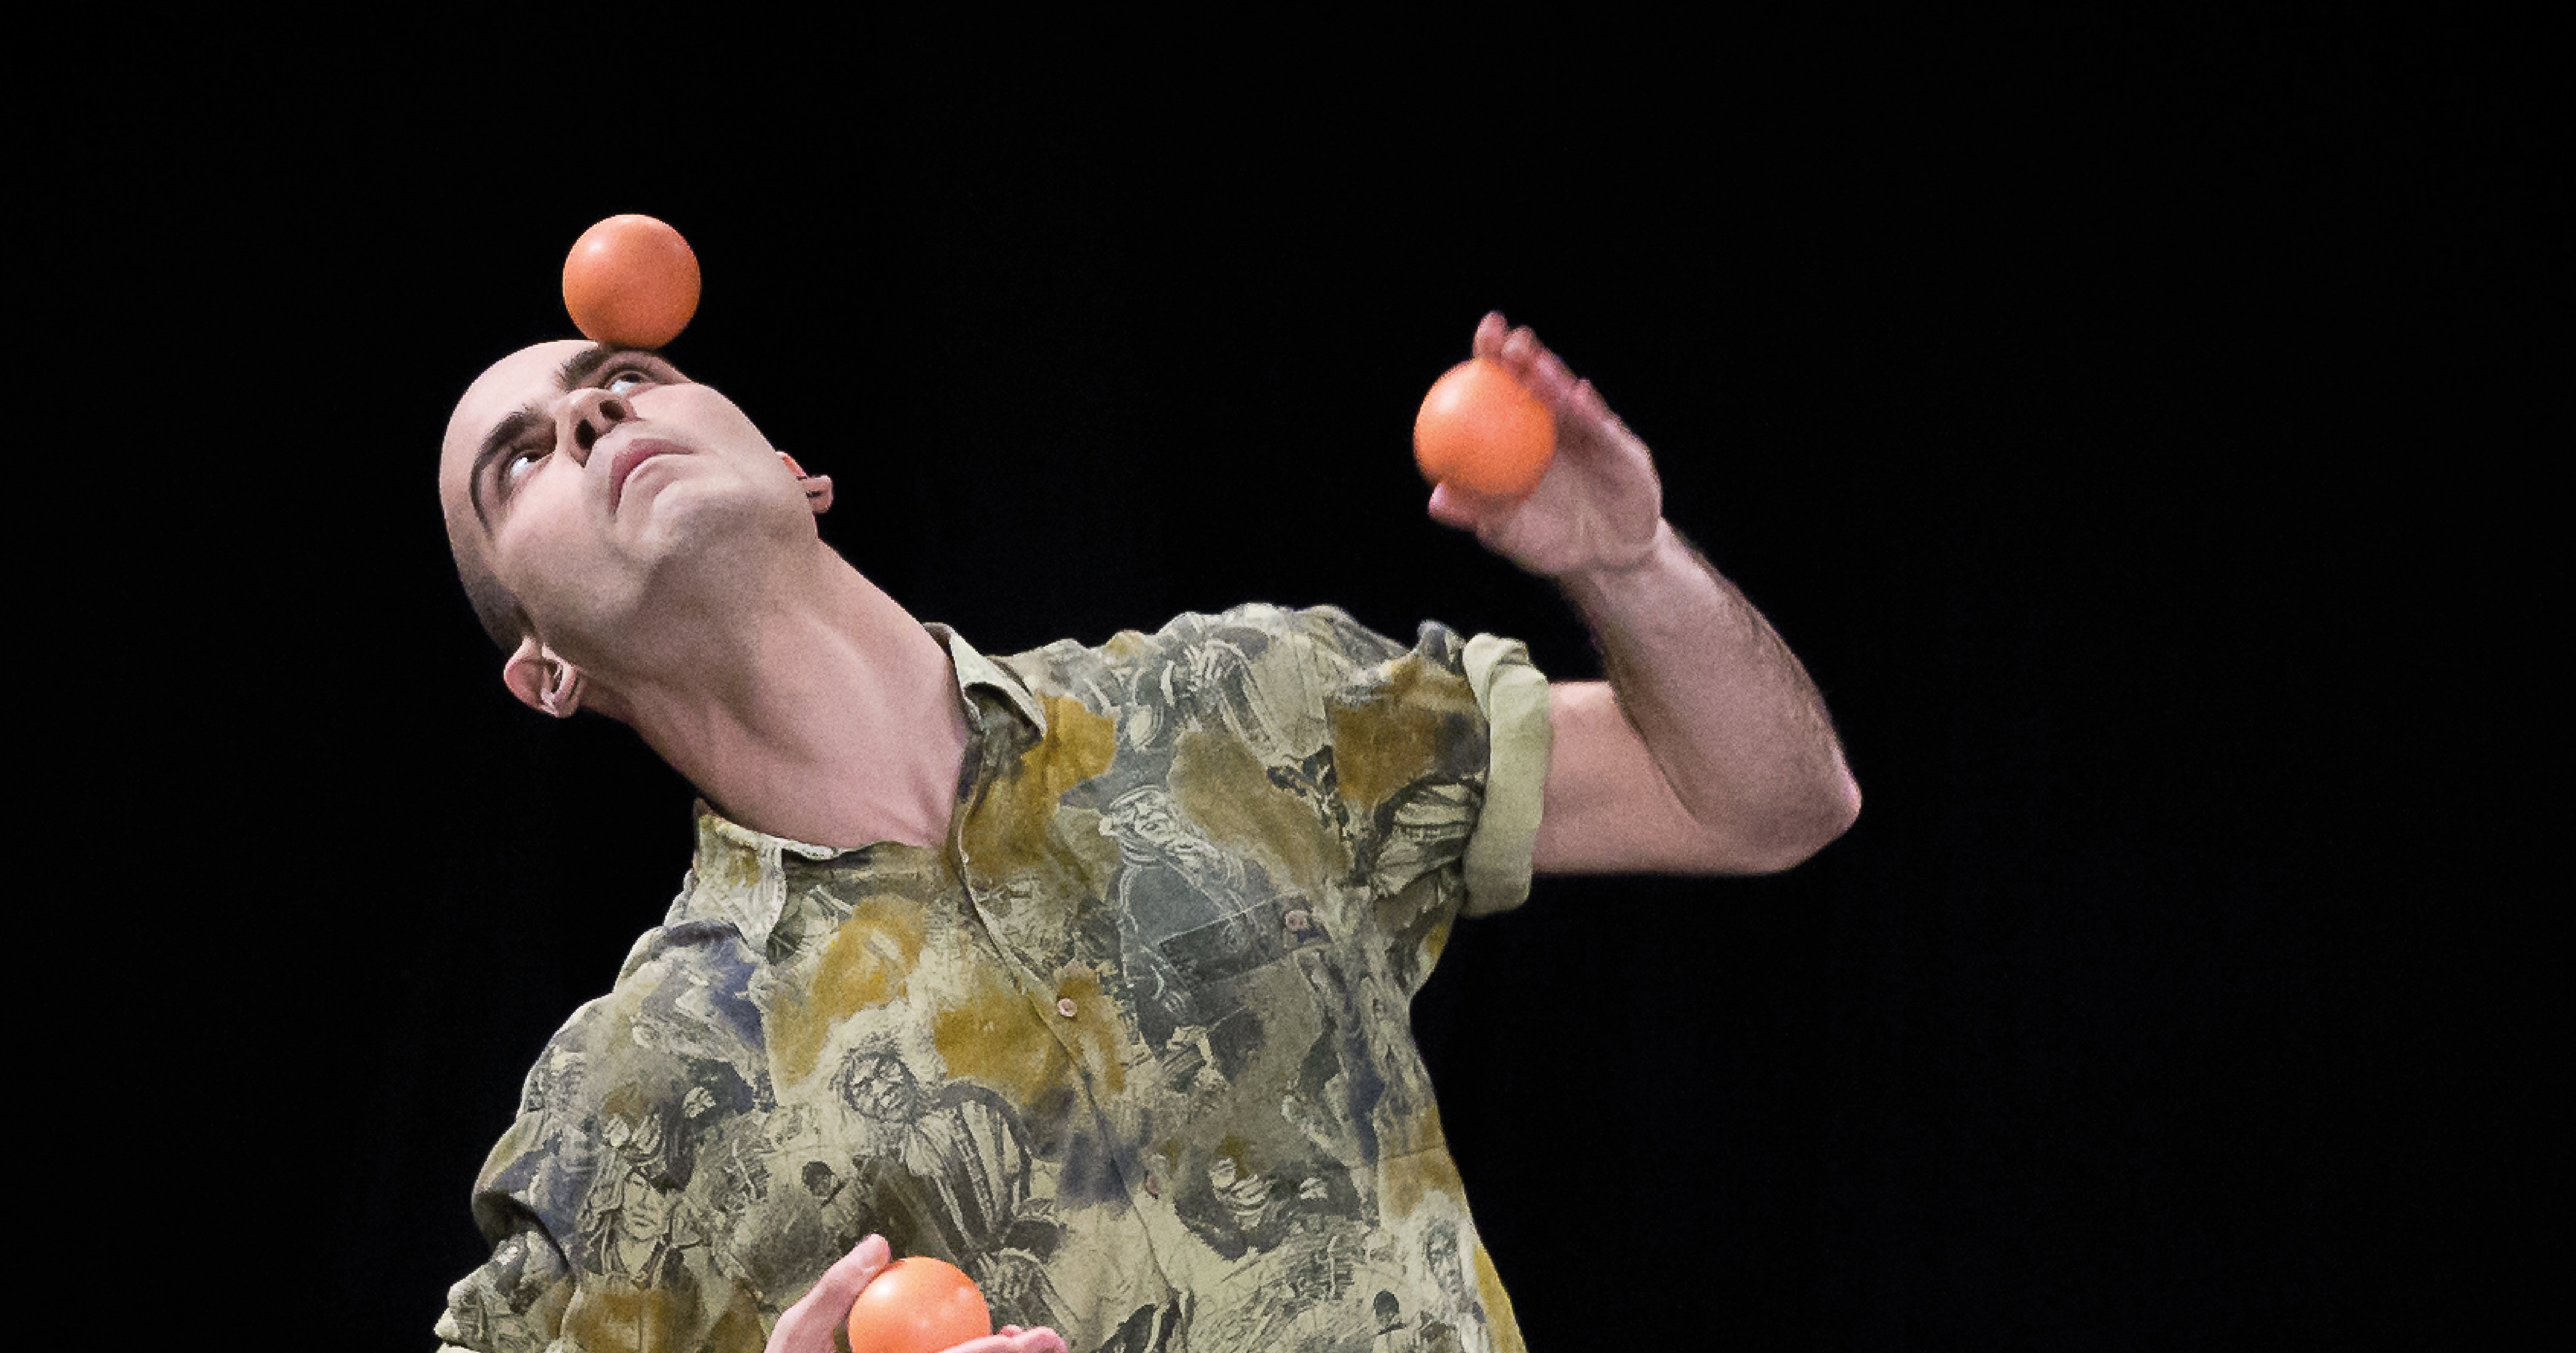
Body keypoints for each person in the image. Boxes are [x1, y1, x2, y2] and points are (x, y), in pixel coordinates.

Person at [427, 314, 1861, 1353]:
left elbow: (1767, 801)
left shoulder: (1238, 703)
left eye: (624, 379)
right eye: (521, 461)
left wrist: (1631, 565)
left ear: (795, 468)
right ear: (543, 671)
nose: (593, 420)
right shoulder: (638, 1089)